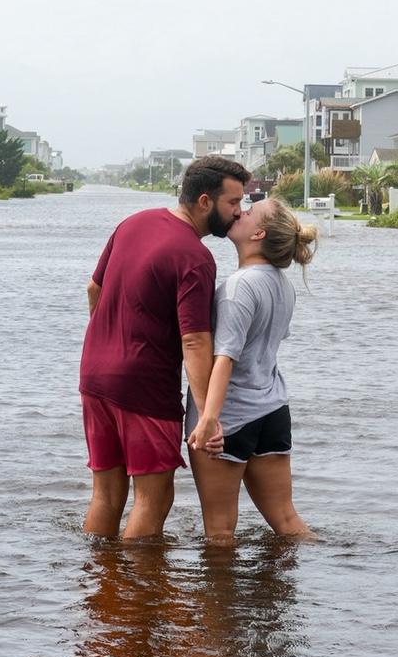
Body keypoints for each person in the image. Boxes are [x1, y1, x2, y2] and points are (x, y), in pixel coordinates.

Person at [79, 155, 250, 539]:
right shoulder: (195, 258)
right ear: (205, 202)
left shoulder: (133, 222)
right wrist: (208, 413)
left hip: (94, 375)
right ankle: (138, 595)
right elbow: (194, 339)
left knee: (105, 495)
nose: (239, 213)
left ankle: (102, 584)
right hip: (146, 388)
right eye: (233, 203)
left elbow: (94, 289)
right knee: (153, 499)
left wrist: (110, 340)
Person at [185, 197, 317, 543]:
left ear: (258, 233)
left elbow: (224, 357)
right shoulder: (282, 286)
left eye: (250, 212)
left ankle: (220, 600)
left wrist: (208, 419)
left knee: (219, 531)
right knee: (288, 521)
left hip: (229, 419)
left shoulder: (238, 286)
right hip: (272, 410)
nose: (240, 211)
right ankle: (295, 589)